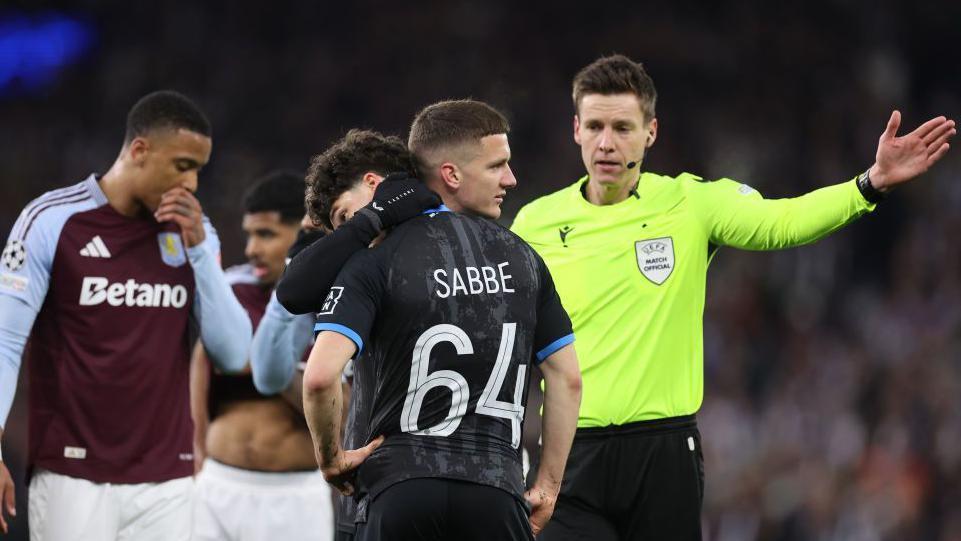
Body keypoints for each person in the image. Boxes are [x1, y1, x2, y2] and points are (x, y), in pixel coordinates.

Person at [509, 54, 957, 540]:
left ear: (651, 132)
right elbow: (507, 332)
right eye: (595, 125)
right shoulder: (536, 222)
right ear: (575, 129)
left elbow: (781, 222)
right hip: (571, 454)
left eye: (622, 127)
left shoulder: (690, 203)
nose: (606, 142)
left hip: (662, 456)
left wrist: (868, 185)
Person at [302, 100, 583, 540]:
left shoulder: (376, 260)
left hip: (399, 487)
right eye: (498, 166)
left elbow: (319, 378)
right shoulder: (524, 259)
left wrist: (331, 458)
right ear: (451, 174)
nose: (511, 179)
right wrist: (547, 487)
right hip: (497, 489)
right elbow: (567, 380)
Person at [0, 90, 252, 540]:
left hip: (168, 479)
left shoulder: (194, 233)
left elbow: (233, 353)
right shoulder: (53, 221)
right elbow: (5, 341)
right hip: (72, 474)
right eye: (182, 166)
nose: (192, 184)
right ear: (139, 150)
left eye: (198, 170)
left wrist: (197, 249)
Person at [190, 171, 336, 541]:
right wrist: (196, 456)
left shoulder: (335, 303)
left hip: (295, 497)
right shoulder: (232, 290)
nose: (253, 248)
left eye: (266, 235)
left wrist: (270, 367)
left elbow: (342, 416)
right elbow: (200, 362)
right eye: (250, 234)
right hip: (216, 486)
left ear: (301, 234)